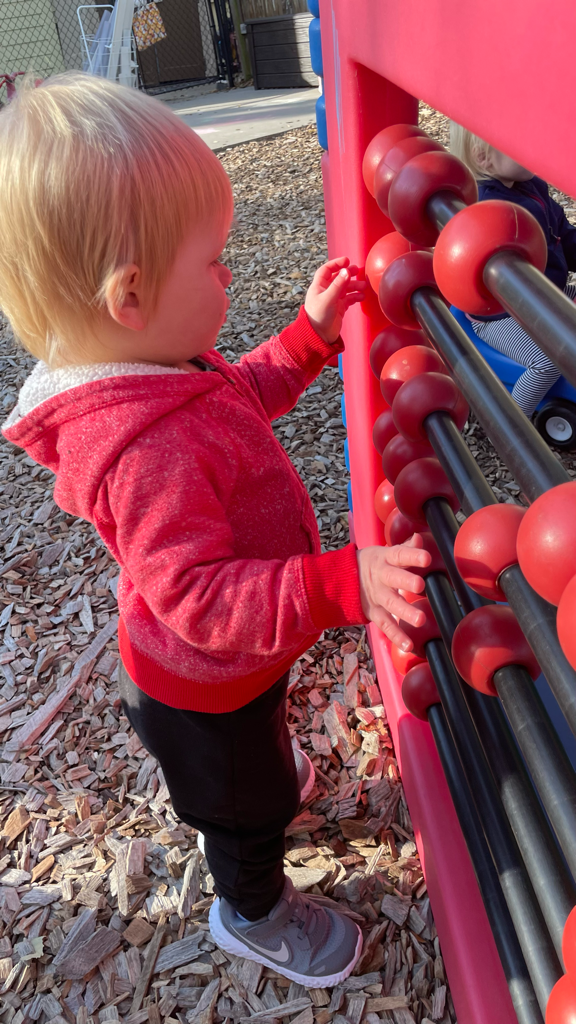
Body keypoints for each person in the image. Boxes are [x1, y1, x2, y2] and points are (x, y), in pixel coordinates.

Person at [0, 74, 431, 987]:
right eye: (214, 261)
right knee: (247, 811)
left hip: (231, 671)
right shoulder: (146, 444)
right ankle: (255, 912)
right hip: (203, 684)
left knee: (257, 754)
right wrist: (340, 582)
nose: (228, 275)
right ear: (130, 295)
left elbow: (241, 398)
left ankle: (257, 779)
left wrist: (308, 339)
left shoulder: (163, 366)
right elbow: (198, 599)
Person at [451, 123, 576, 416]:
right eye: (522, 143)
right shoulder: (487, 210)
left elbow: (564, 235)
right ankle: (512, 422)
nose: (535, 150)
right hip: (502, 314)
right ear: (484, 158)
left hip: (547, 293)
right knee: (545, 361)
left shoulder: (531, 187)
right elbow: (502, 280)